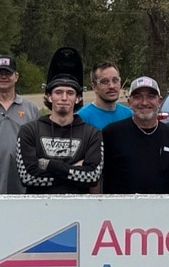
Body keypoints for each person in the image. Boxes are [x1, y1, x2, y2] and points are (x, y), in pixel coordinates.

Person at [17, 48, 106, 197]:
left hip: (78, 212)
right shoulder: (29, 131)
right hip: (39, 210)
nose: (64, 98)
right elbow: (27, 177)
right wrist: (74, 172)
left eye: (70, 93)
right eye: (58, 92)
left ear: (77, 98)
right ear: (49, 96)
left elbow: (92, 177)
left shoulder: (92, 134)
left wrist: (48, 164)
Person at [101, 76, 169, 195]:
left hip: (162, 211)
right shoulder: (111, 134)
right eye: (137, 97)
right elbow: (98, 177)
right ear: (129, 102)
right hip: (120, 211)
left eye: (151, 96)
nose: (144, 102)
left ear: (159, 101)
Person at [0, 52, 42, 196]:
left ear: (16, 76)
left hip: (23, 185)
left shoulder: (31, 109)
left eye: (8, 73)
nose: (4, 77)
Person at [78, 61, 131, 130]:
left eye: (115, 80)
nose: (111, 86)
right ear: (94, 87)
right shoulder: (82, 118)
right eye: (105, 82)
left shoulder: (128, 114)